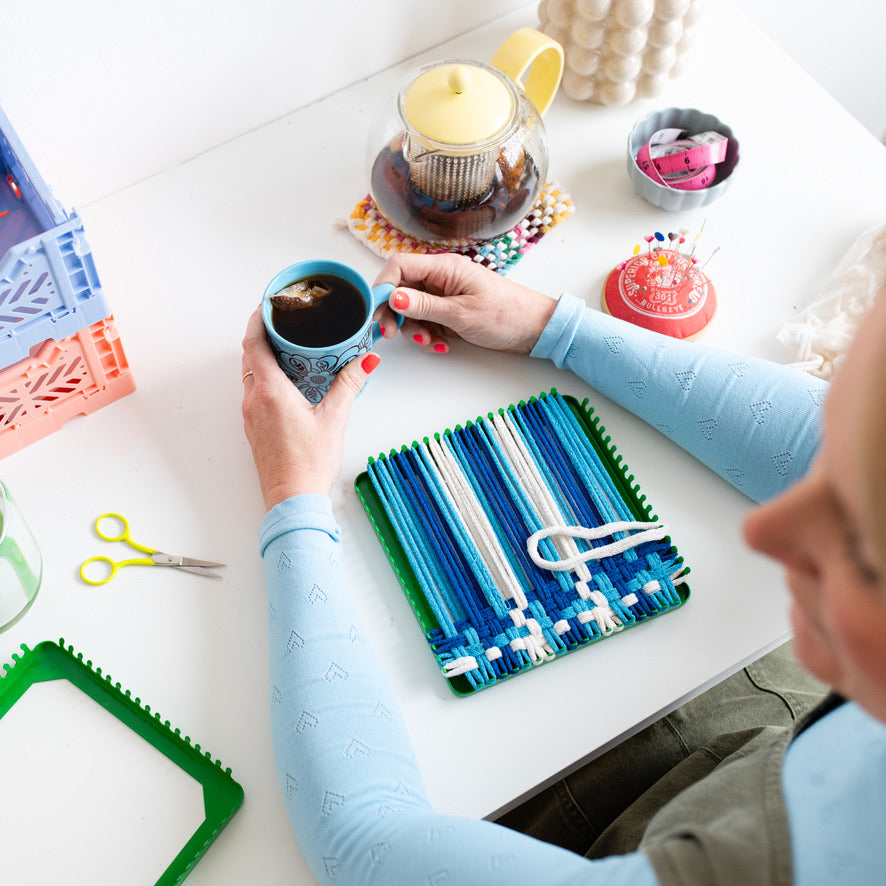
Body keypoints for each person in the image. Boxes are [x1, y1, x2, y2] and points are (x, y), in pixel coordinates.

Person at [240, 252, 885, 884]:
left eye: (863, 557)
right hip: (772, 744)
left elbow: (360, 847)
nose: (768, 531)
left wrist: (292, 499)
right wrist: (551, 326)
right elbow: (827, 441)